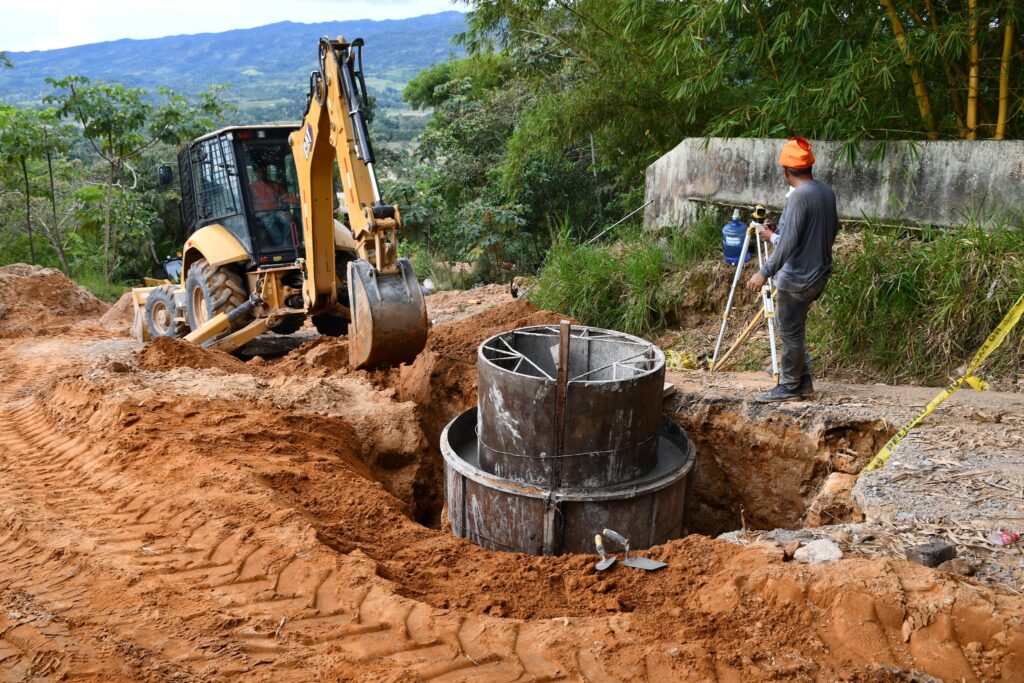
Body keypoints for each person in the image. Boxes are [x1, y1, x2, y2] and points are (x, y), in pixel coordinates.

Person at [745, 137, 839, 402]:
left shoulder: (799, 197)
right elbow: (813, 233)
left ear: (786, 171)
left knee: (790, 333)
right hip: (818, 274)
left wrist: (764, 271)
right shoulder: (824, 192)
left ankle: (788, 386)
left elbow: (788, 244)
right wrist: (776, 234)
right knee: (796, 329)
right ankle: (804, 382)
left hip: (798, 279)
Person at [249, 162, 296, 247]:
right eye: (259, 172)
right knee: (269, 222)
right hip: (262, 213)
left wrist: (296, 200)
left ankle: (285, 242)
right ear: (255, 173)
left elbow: (285, 197)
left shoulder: (275, 184)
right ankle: (280, 244)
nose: (262, 174)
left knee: (289, 219)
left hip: (276, 212)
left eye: (263, 171)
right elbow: (248, 203)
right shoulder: (251, 187)